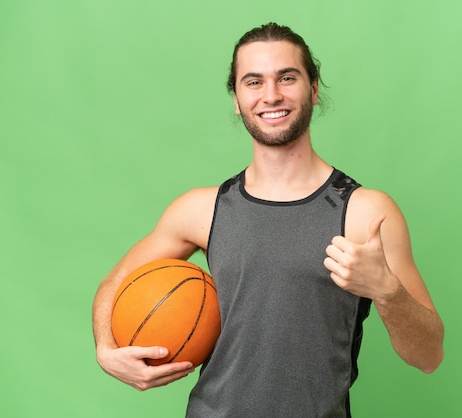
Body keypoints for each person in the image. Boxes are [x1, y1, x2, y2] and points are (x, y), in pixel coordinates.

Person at [92, 22, 444, 417]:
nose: (271, 95)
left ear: (313, 88)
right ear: (237, 99)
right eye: (253, 82)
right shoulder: (201, 209)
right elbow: (116, 282)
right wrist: (106, 350)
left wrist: (387, 291)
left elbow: (428, 356)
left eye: (287, 78)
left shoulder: (366, 213)